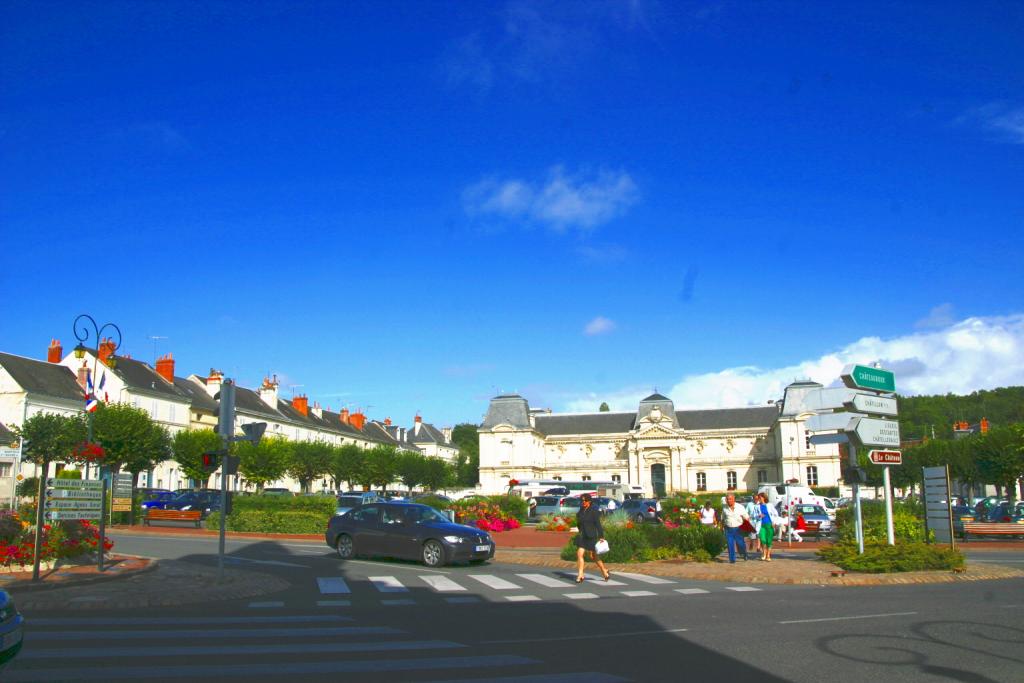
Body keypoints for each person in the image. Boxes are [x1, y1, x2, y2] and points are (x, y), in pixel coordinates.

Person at [574, 493, 610, 583]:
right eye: (582, 500)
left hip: (591, 536)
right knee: (579, 554)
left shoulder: (593, 511)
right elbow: (579, 522)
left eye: (584, 500)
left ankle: (604, 570)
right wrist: (578, 529)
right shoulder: (581, 511)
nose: (583, 502)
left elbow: (598, 524)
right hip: (583, 536)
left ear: (589, 501)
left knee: (593, 556)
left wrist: (601, 536)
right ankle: (580, 574)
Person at [721, 494, 750, 563]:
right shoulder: (724, 508)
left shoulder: (740, 507)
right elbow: (723, 518)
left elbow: (747, 517)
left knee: (740, 544)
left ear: (734, 499)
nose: (728, 501)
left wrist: (746, 527)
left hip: (738, 529)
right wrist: (722, 527)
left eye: (730, 499)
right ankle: (732, 559)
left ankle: (744, 553)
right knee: (730, 544)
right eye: (727, 499)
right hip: (728, 529)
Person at [757, 494, 776, 560]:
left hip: (769, 524)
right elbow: (753, 516)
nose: (759, 499)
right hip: (761, 525)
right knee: (762, 539)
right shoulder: (757, 506)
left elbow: (775, 513)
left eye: (760, 497)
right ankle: (764, 553)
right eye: (758, 498)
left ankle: (768, 555)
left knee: (769, 540)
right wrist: (758, 516)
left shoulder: (769, 505)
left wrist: (774, 522)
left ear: (764, 498)